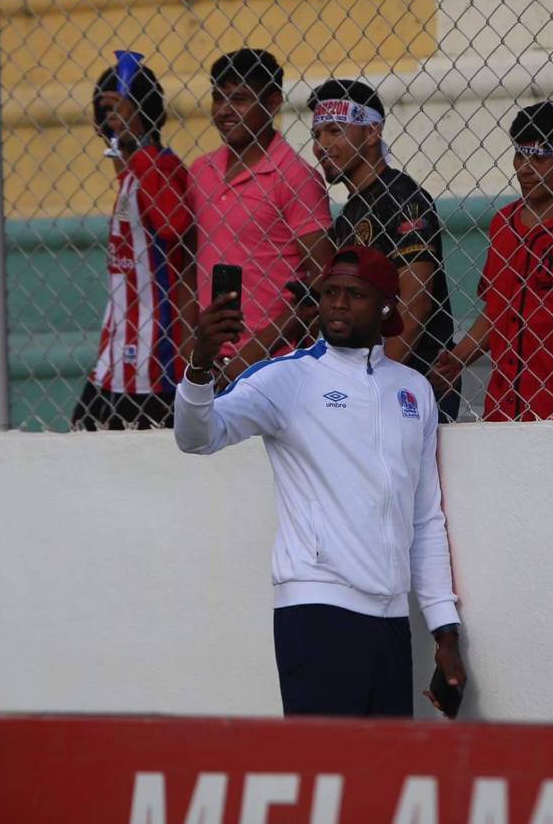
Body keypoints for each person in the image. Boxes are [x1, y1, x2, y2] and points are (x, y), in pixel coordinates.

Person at [175, 245, 466, 718]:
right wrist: (200, 366)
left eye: (355, 294)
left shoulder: (414, 391)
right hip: (316, 611)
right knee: (324, 777)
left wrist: (444, 630)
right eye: (330, 292)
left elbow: (425, 518)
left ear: (388, 305)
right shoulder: (288, 378)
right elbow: (196, 436)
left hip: (392, 621)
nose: (338, 304)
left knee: (382, 784)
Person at [433, 100, 553, 420]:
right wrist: (459, 358)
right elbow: (497, 309)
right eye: (520, 155)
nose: (525, 167)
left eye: (540, 157)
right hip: (501, 410)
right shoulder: (503, 223)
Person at [307, 79, 460, 423]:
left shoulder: (403, 197)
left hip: (414, 380)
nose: (322, 146)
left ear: (373, 132)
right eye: (317, 135)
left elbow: (416, 302)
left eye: (335, 131)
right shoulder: (349, 215)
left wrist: (374, 382)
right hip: (367, 382)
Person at [186, 48, 333, 385]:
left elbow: (323, 277)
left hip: (276, 363)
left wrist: (254, 352)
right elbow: (187, 265)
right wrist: (193, 347)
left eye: (238, 99)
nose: (224, 110)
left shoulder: (296, 177)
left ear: (271, 103)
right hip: (208, 361)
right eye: (217, 98)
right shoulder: (199, 172)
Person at [72, 52, 195, 430]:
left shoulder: (161, 166)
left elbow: (174, 225)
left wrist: (140, 141)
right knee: (83, 432)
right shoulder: (130, 174)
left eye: (120, 108)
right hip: (115, 358)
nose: (110, 118)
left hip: (153, 363)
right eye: (104, 109)